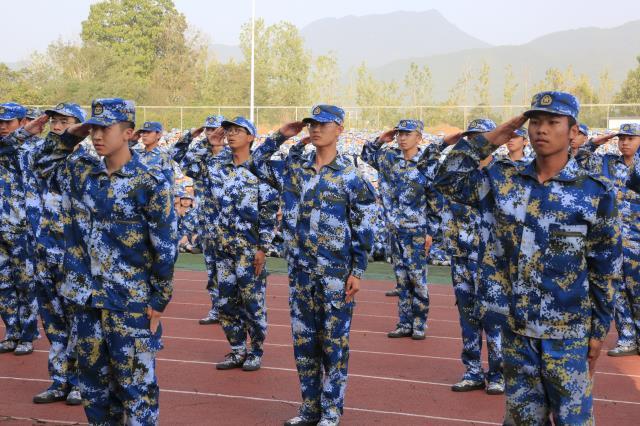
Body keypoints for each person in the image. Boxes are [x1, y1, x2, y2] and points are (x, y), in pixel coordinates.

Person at [435, 91, 622, 424]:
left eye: (552, 122)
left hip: (567, 335)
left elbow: (605, 267)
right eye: (535, 122)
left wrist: (598, 332)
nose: (541, 129)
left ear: (573, 131)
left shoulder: (595, 191)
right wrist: (494, 137)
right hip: (516, 331)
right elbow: (448, 179)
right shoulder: (504, 181)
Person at [33, 98, 177, 424]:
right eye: (93, 128)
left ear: (128, 133)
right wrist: (72, 134)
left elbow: (165, 247)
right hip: (85, 300)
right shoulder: (80, 172)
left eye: (105, 128)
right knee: (94, 389)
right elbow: (41, 165)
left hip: (129, 302)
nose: (97, 135)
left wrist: (159, 299)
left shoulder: (149, 182)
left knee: (136, 388)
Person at [251, 105, 377, 426]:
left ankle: (331, 412)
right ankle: (309, 408)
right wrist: (282, 135)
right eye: (311, 124)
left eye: (323, 124)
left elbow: (364, 226)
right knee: (304, 344)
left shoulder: (351, 177)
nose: (316, 129)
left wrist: (358, 271)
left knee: (334, 346)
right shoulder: (295, 169)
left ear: (340, 129)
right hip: (301, 275)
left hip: (335, 276)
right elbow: (255, 162)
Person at [431, 119, 505, 394]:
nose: (475, 143)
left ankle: (498, 374)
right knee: (468, 318)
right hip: (461, 257)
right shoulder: (457, 179)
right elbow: (434, 174)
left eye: (480, 138)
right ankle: (472, 371)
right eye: (471, 138)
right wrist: (446, 145)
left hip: (491, 261)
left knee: (495, 319)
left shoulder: (503, 174)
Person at [202, 117, 278, 372]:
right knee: (225, 303)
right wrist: (212, 144)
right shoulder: (218, 166)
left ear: (251, 137)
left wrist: (263, 248)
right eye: (229, 131)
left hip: (248, 249)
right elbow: (188, 165)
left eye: (238, 131)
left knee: (252, 303)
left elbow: (268, 211)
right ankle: (237, 349)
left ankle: (255, 350)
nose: (231, 134)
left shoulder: (260, 170)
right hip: (222, 248)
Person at [27, 103, 88, 405]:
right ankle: (60, 380)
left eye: (65, 121)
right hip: (44, 252)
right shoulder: (41, 157)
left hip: (75, 255)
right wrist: (27, 132)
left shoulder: (88, 162)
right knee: (52, 322)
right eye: (54, 121)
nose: (57, 125)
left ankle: (81, 382)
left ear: (80, 126)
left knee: (79, 321)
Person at [361, 119, 439, 340]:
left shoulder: (427, 164)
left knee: (417, 280)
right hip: (394, 231)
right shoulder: (389, 159)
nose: (402, 138)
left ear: (419, 138)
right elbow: (366, 155)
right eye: (400, 134)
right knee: (401, 280)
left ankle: (419, 324)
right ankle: (404, 323)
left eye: (408, 134)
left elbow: (435, 200)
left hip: (416, 231)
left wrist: (430, 232)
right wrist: (381, 139)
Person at [576, 123, 640, 357]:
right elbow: (579, 158)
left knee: (637, 289)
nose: (625, 142)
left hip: (636, 239)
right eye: (621, 138)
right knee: (618, 291)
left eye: (630, 138)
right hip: (611, 239)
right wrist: (597, 141)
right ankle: (627, 338)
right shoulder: (608, 163)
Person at [172, 115, 227, 325]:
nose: (212, 133)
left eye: (216, 129)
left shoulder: (233, 156)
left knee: (232, 272)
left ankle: (233, 311)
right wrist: (192, 137)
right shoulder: (202, 160)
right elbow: (177, 158)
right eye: (208, 129)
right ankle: (217, 309)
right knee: (212, 271)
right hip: (207, 226)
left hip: (230, 227)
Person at [0, 102, 39, 356]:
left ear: (23, 122)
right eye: (0, 122)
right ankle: (11, 332)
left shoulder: (35, 150)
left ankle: (27, 334)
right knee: (3, 284)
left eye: (8, 122)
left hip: (23, 228)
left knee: (26, 284)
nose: (3, 127)